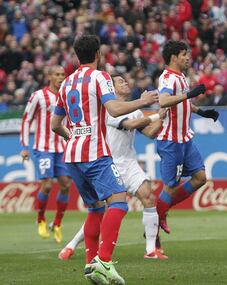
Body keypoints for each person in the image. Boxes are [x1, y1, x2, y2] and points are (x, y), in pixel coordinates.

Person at [51, 34, 158, 285]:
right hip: (95, 153)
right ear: (98, 54)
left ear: (78, 55)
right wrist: (142, 101)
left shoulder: (66, 84)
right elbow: (114, 109)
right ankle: (104, 261)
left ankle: (91, 265)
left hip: (73, 155)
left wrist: (73, 136)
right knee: (119, 203)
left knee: (95, 209)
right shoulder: (99, 77)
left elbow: (56, 124)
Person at [58, 74, 168, 261]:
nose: (125, 82)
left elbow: (149, 132)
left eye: (126, 80)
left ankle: (151, 250)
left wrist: (163, 116)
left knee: (148, 197)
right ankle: (72, 245)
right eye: (120, 81)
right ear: (111, 88)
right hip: (107, 162)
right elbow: (130, 124)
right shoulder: (107, 110)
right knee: (101, 211)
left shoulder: (134, 109)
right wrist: (157, 114)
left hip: (129, 162)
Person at [156, 40, 219, 234]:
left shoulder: (181, 77)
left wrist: (202, 112)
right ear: (174, 57)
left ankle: (160, 211)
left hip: (185, 139)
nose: (188, 57)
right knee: (170, 187)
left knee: (200, 177)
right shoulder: (167, 78)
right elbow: (164, 100)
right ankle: (155, 228)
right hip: (171, 141)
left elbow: (183, 103)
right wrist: (190, 94)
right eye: (184, 54)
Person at [20, 65, 71, 243]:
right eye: (57, 74)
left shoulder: (66, 95)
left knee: (65, 185)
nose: (60, 77)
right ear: (49, 76)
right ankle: (41, 218)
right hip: (43, 148)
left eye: (62, 74)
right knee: (47, 185)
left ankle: (57, 223)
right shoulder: (39, 96)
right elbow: (26, 119)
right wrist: (24, 146)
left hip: (61, 148)